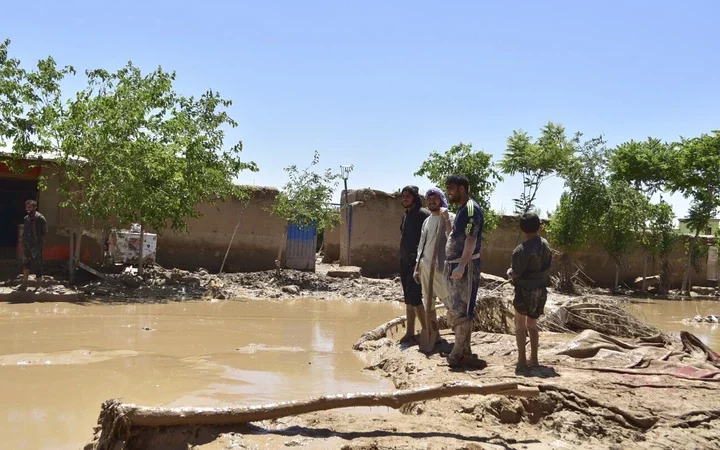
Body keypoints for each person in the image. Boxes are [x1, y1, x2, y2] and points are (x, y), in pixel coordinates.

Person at [443, 175, 484, 367]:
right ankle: (465, 349)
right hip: (456, 265)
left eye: (450, 188)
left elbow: (471, 239)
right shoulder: (461, 210)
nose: (448, 192)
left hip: (465, 266)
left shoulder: (471, 209)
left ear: (461, 188)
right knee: (456, 306)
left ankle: (457, 352)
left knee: (462, 308)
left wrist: (461, 265)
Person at [507, 212, 553, 372]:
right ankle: (534, 359)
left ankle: (521, 361)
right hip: (541, 290)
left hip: (524, 291)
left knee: (520, 324)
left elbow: (516, 273)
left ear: (521, 229)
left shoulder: (520, 250)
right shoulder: (546, 245)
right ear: (540, 227)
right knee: (532, 324)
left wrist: (510, 273)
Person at [414, 188, 455, 346]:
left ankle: (460, 336)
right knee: (428, 303)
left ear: (441, 199)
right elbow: (421, 246)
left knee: (449, 302)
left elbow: (454, 240)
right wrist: (417, 267)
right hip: (425, 266)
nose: (431, 201)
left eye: (435, 198)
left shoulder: (450, 217)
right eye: (429, 198)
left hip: (441, 267)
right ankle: (434, 333)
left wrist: (446, 221)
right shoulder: (427, 220)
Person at [399, 185, 430, 343]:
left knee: (416, 298)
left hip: (417, 262)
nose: (405, 198)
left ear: (415, 197)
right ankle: (409, 332)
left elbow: (429, 240)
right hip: (404, 261)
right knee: (408, 298)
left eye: (408, 196)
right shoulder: (406, 215)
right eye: (403, 196)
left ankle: (427, 331)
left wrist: (420, 262)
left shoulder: (423, 215)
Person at [21, 199, 47, 288]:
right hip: (26, 244)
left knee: (38, 264)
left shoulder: (40, 218)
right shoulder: (26, 218)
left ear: (34, 207)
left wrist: (37, 242)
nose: (28, 209)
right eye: (27, 207)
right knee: (25, 263)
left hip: (36, 245)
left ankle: (38, 285)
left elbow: (44, 232)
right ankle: (24, 282)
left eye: (30, 207)